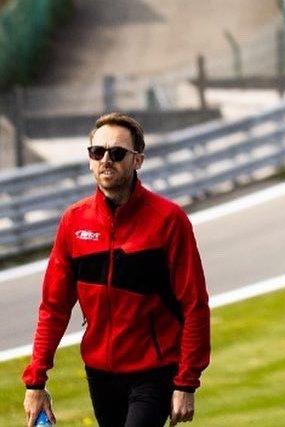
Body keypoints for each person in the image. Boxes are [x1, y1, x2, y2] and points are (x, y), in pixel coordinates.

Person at [22, 112, 211, 427]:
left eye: (117, 153)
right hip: (100, 375)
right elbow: (54, 308)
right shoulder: (73, 221)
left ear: (138, 160)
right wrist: (35, 380)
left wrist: (186, 382)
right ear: (90, 160)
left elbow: (195, 305)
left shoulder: (169, 220)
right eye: (98, 152)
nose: (106, 160)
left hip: (154, 372)